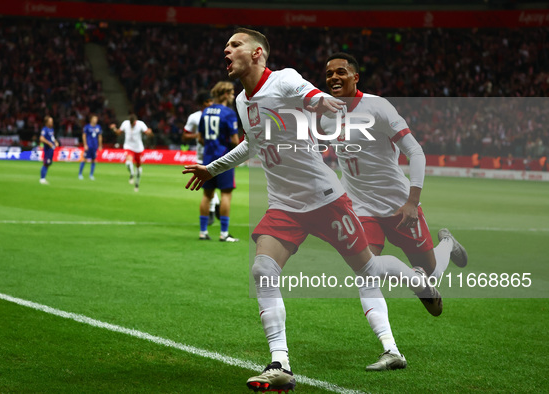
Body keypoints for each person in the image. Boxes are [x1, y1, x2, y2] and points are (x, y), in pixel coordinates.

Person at [183, 27, 442, 393]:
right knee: (262, 269)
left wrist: (320, 100)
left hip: (325, 199)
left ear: (257, 54)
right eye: (226, 45)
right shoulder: (242, 101)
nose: (226, 49)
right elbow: (252, 146)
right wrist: (212, 168)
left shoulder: (285, 80)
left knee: (367, 267)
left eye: (235, 44)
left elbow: (308, 93)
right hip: (284, 205)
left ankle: (418, 281)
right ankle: (279, 364)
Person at [320, 53, 468, 371]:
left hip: (399, 205)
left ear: (355, 77)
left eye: (341, 72)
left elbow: (415, 150)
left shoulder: (379, 107)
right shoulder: (326, 115)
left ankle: (446, 245)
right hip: (360, 208)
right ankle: (391, 350)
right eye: (329, 73)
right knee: (366, 273)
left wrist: (413, 201)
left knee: (429, 274)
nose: (333, 77)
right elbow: (326, 152)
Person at [197, 82, 240, 242]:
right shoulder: (228, 113)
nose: (233, 96)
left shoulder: (205, 111)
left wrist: (210, 147)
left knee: (207, 195)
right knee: (226, 194)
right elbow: (235, 140)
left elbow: (200, 138)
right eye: (232, 93)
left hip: (207, 159)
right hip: (224, 159)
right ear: (225, 94)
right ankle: (223, 234)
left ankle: (203, 232)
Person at [182, 91, 220, 226]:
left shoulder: (219, 114)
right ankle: (212, 210)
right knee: (208, 185)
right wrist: (196, 136)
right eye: (208, 101)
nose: (211, 103)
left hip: (217, 154)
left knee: (211, 185)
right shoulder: (194, 117)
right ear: (202, 104)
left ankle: (214, 206)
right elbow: (185, 136)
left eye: (212, 101)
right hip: (201, 155)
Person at [110, 114, 153, 192]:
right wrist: (114, 128)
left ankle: (137, 184)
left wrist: (149, 132)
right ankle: (132, 174)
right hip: (128, 147)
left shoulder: (141, 124)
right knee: (128, 162)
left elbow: (148, 133)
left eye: (133, 123)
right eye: (131, 123)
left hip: (139, 149)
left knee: (138, 168)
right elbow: (118, 133)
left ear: (135, 122)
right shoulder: (125, 123)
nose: (132, 125)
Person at [79, 115, 103, 180]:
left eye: (96, 119)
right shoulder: (87, 127)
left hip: (95, 146)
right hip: (89, 146)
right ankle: (80, 174)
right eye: (94, 119)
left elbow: (100, 136)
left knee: (93, 160)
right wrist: (85, 144)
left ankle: (91, 175)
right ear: (91, 119)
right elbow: (84, 136)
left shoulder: (98, 127)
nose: (95, 120)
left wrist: (100, 145)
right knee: (84, 159)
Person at [39, 116, 58, 185]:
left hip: (51, 149)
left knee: (48, 164)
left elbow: (52, 138)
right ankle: (42, 179)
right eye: (50, 121)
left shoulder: (51, 129)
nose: (52, 122)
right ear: (47, 122)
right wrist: (48, 143)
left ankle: (43, 178)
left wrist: (55, 141)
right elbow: (41, 138)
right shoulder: (45, 129)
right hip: (47, 149)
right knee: (46, 163)